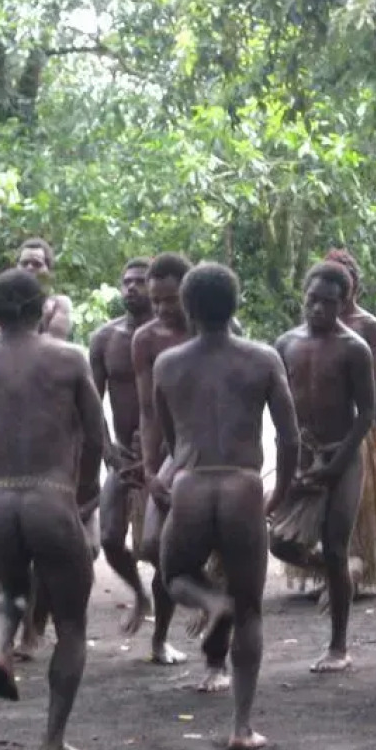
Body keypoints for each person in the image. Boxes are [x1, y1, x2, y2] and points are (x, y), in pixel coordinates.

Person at [0, 267, 106, 750]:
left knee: (12, 591)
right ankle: (54, 742)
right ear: (42, 309)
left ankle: (0, 647)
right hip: (49, 496)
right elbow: (96, 436)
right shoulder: (68, 358)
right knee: (70, 624)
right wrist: (82, 494)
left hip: (0, 499)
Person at [154, 262, 300, 750]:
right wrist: (279, 494)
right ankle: (241, 726)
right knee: (251, 608)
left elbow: (171, 442)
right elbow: (289, 437)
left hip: (193, 483)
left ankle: (210, 602)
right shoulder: (262, 359)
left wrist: (166, 477)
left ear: (188, 308)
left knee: (176, 576)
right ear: (235, 306)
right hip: (242, 485)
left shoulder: (168, 364)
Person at [271, 261, 374, 673]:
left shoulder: (354, 348)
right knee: (278, 541)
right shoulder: (285, 344)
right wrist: (287, 457)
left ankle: (338, 646)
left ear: (344, 303)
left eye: (329, 303)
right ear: (303, 296)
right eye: (312, 300)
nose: (318, 309)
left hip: (343, 454)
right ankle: (340, 574)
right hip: (301, 452)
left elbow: (365, 412)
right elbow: (278, 408)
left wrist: (337, 463)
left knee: (334, 544)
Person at [133, 252, 222, 676]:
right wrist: (152, 469)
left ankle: (218, 655)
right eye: (156, 301)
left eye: (171, 300)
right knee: (153, 547)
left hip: (216, 456)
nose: (164, 309)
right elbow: (150, 413)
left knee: (221, 551)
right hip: (173, 453)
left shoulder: (220, 330)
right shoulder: (146, 341)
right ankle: (163, 636)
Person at [87, 258, 155, 635]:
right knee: (111, 538)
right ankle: (140, 595)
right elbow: (91, 403)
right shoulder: (105, 339)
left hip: (163, 454)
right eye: (126, 282)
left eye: (140, 282)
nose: (131, 288)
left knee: (160, 545)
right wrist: (106, 449)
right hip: (123, 455)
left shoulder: (171, 335)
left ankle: (168, 620)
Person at [327, 248, 376, 593]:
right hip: (324, 425)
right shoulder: (315, 323)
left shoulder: (367, 325)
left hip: (358, 425)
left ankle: (353, 570)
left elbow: (373, 384)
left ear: (353, 284)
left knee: (357, 505)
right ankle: (331, 571)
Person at [17, 238, 73, 340]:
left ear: (48, 270)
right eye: (24, 263)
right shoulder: (4, 299)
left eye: (37, 264)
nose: (29, 268)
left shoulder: (58, 304)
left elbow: (56, 341)